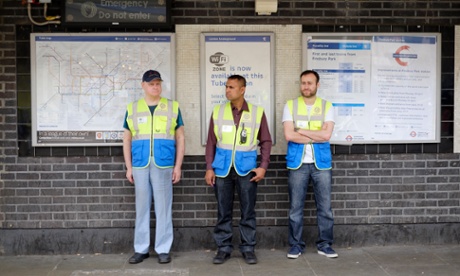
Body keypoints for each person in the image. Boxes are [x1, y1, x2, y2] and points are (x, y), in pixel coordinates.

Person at [205, 74, 272, 265]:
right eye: (226, 87)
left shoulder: (257, 112)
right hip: (222, 169)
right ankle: (223, 248)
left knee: (248, 211)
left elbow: (266, 141)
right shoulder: (218, 111)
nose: (227, 90)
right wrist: (209, 167)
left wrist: (263, 167)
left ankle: (248, 248)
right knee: (223, 211)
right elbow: (211, 142)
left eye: (231, 87)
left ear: (242, 90)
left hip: (247, 169)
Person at [123, 70, 185, 264]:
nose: (155, 87)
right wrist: (128, 166)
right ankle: (141, 249)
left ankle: (163, 249)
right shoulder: (132, 108)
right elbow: (126, 139)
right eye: (151, 84)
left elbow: (180, 137)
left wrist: (178, 166)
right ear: (143, 85)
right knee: (141, 208)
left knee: (163, 208)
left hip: (164, 163)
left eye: (158, 83)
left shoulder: (172, 107)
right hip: (140, 164)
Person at [282, 70, 337, 259]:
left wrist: (301, 130)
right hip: (298, 163)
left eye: (310, 83)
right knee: (295, 208)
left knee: (325, 208)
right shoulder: (290, 106)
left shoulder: (327, 106)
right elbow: (289, 135)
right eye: (303, 83)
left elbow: (327, 135)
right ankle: (296, 245)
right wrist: (316, 134)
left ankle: (325, 244)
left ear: (317, 85)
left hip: (321, 163)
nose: (306, 86)